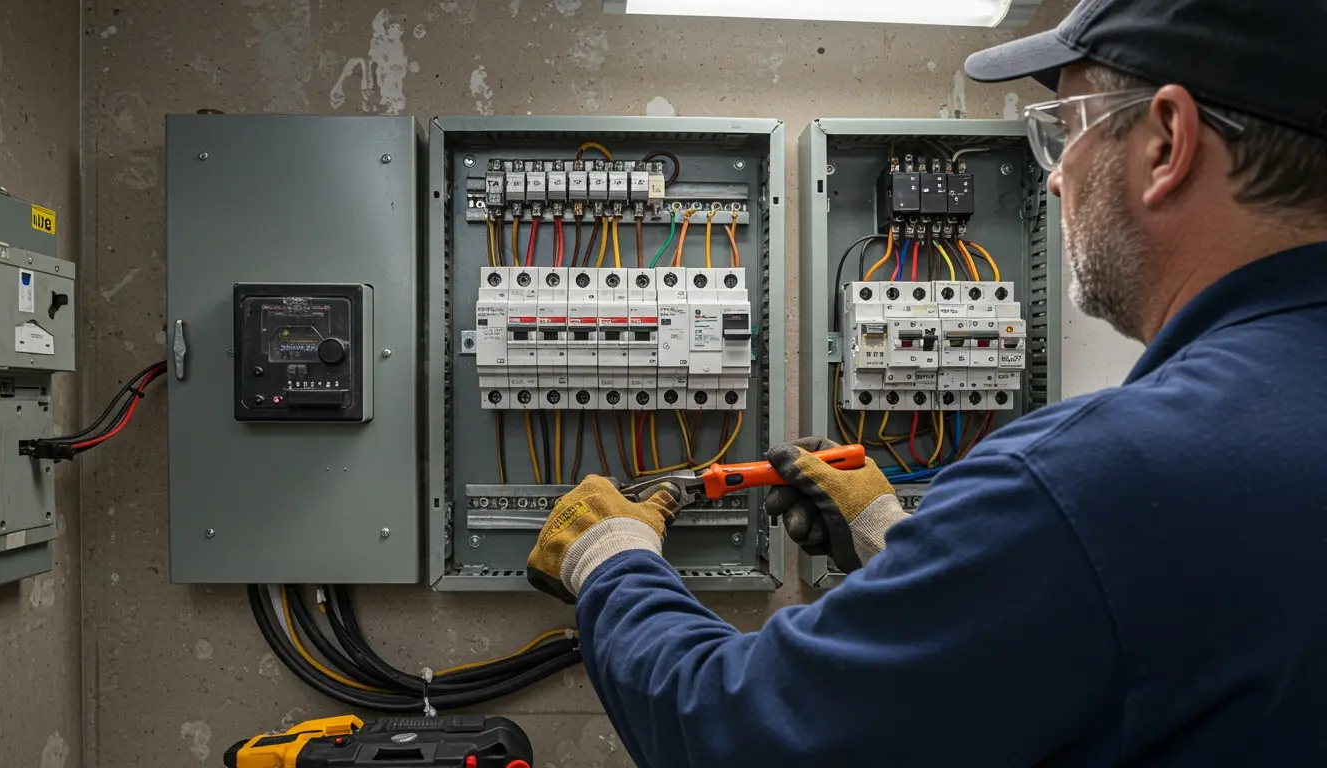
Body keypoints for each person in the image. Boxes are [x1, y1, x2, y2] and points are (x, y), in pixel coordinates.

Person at [526, 0, 1327, 763]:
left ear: (1165, 141)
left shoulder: (1088, 485)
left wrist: (612, 559)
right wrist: (897, 544)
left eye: (1064, 132)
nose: (1054, 178)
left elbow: (744, 730)